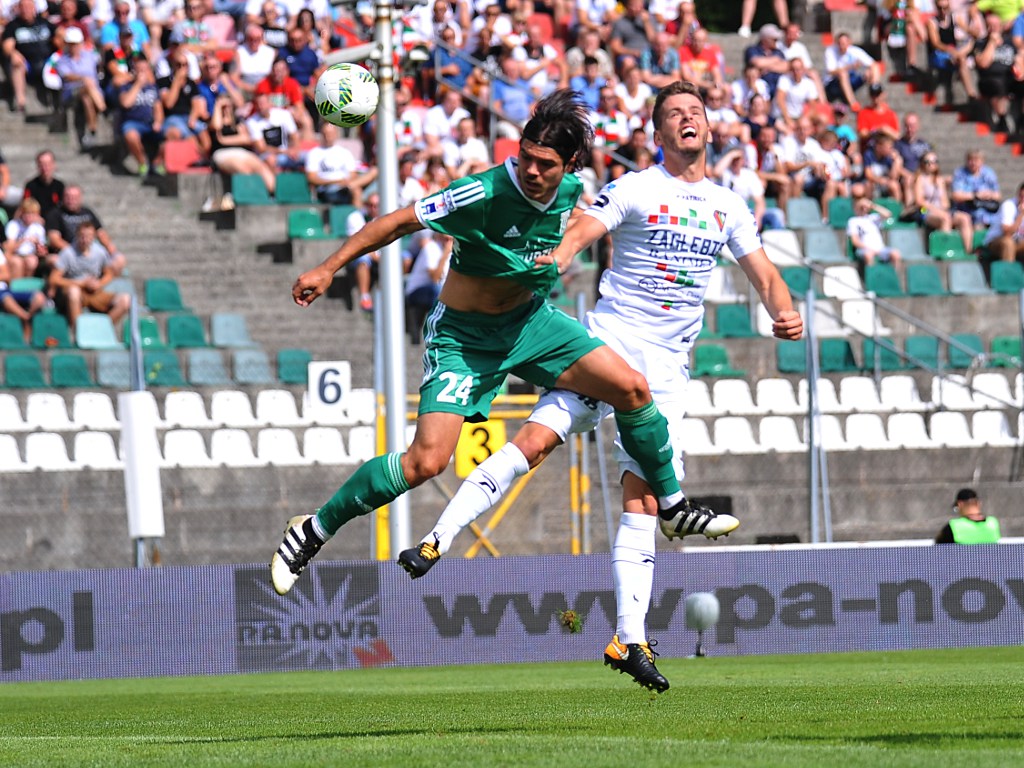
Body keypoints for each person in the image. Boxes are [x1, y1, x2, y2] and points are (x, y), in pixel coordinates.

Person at [396, 81, 804, 694]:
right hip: (609, 346)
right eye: (674, 113)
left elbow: (764, 273)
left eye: (695, 111)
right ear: (657, 134)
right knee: (537, 441)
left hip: (668, 369)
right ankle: (438, 537)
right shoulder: (638, 187)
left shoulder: (728, 205)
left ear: (708, 127)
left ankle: (628, 639)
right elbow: (587, 225)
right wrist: (560, 255)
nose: (687, 119)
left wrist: (784, 310)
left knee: (642, 501)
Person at [270, 91, 718, 647]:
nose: (531, 170)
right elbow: (399, 222)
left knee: (631, 388)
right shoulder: (482, 192)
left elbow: (581, 220)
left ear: (569, 166)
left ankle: (671, 506)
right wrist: (328, 267)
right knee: (426, 461)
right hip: (465, 339)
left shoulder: (571, 191)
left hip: (531, 324)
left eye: (545, 164)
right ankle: (313, 529)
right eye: (525, 156)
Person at [49, 220, 130, 334]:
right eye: (82, 236)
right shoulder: (68, 253)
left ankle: (102, 331)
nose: (85, 239)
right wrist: (81, 283)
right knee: (74, 292)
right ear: (77, 236)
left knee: (125, 300)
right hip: (76, 290)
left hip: (95, 290)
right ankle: (78, 333)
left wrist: (99, 283)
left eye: (89, 236)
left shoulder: (100, 252)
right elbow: (54, 279)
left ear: (94, 237)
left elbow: (109, 274)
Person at [46, 185, 127, 275]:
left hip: (90, 251)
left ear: (80, 198)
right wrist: (74, 252)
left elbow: (101, 233)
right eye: (68, 196)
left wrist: (110, 248)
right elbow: (54, 239)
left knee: (119, 259)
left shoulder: (87, 213)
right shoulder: (55, 214)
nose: (71, 200)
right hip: (67, 253)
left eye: (74, 197)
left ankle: (104, 281)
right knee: (54, 260)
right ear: (63, 197)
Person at [1, 0, 56, 113]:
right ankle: (20, 103)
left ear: (34, 8)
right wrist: (13, 53)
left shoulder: (44, 22)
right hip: (27, 63)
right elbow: (7, 46)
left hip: (47, 62)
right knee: (16, 65)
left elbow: (58, 36)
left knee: (62, 63)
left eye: (28, 7)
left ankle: (61, 103)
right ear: (18, 9)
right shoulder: (13, 26)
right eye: (23, 7)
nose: (26, 10)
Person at [303, 122, 377, 206]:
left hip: (345, 188)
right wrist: (336, 181)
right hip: (326, 190)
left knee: (371, 176)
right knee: (356, 191)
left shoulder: (344, 152)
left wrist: (345, 183)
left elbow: (353, 175)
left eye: (330, 134)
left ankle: (360, 210)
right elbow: (312, 178)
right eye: (325, 134)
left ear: (336, 134)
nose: (328, 137)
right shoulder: (314, 153)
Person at [823, 32, 881, 110]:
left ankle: (876, 94)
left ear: (849, 42)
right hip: (833, 84)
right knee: (843, 74)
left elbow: (873, 64)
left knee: (871, 71)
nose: (842, 46)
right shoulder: (830, 51)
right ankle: (853, 103)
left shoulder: (854, 51)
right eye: (840, 43)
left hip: (850, 81)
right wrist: (850, 67)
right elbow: (831, 71)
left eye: (844, 43)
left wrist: (875, 81)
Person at [951, 150, 1001, 230]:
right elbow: (956, 195)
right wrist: (975, 195)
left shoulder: (989, 173)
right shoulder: (960, 173)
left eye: (976, 160)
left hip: (988, 210)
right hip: (968, 211)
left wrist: (988, 194)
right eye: (970, 160)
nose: (973, 163)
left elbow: (998, 195)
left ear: (982, 161)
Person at [847, 195, 902, 266]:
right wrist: (870, 248)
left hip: (880, 248)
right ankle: (872, 273)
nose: (864, 209)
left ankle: (894, 273)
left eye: (865, 207)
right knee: (869, 255)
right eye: (861, 207)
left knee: (895, 253)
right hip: (865, 249)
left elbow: (888, 214)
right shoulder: (853, 221)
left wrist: (872, 205)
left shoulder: (873, 217)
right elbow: (855, 241)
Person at [935, 488, 1001, 544]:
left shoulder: (954, 526)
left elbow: (939, 548)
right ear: (978, 503)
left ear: (960, 504)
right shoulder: (993, 523)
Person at [981, 182, 1024, 263]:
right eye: (1021, 196)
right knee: (1008, 243)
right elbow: (1007, 233)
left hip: (1017, 243)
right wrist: (1021, 214)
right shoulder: (1009, 205)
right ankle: (1008, 271)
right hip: (995, 242)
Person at [21, 149, 64, 219]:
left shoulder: (60, 186)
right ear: (37, 166)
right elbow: (26, 207)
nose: (45, 168)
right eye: (42, 164)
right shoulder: (31, 186)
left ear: (54, 165)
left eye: (48, 164)